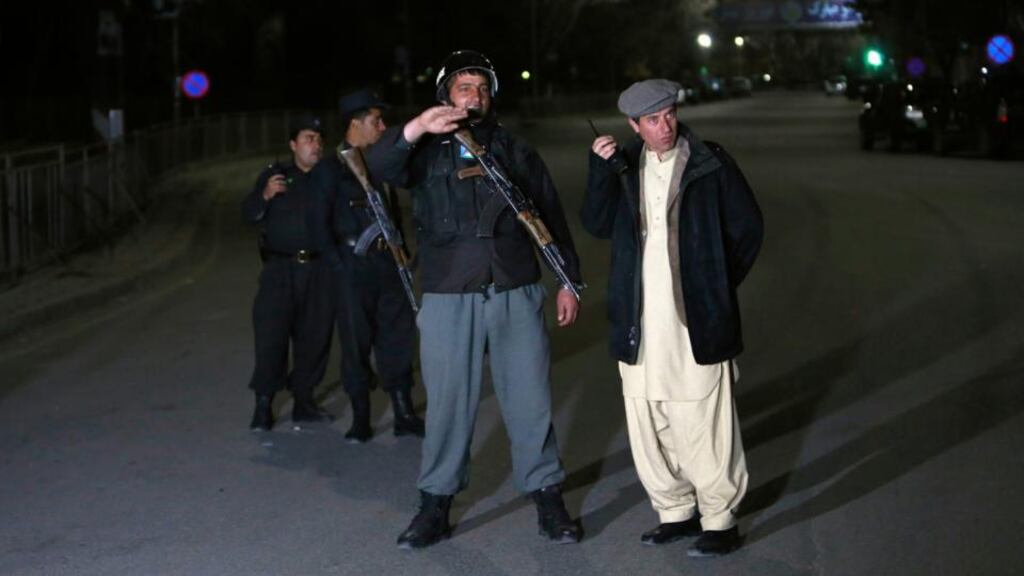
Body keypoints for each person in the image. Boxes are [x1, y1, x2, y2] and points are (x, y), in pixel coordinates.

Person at [367, 50, 585, 549]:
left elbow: (549, 213)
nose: (475, 96)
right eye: (464, 88)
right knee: (448, 404)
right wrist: (418, 126)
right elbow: (378, 163)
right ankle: (435, 505)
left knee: (530, 400)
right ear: (446, 96)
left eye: (483, 88)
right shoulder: (422, 151)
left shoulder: (512, 148)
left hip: (514, 286)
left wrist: (567, 281)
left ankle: (548, 498)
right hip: (449, 292)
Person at [581, 79, 763, 558]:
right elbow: (596, 224)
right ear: (633, 125)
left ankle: (720, 518)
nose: (665, 126)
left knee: (704, 420)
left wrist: (714, 286)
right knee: (650, 418)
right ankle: (675, 511)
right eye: (653, 120)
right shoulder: (624, 167)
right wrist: (599, 170)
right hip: (638, 318)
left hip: (694, 321)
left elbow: (747, 228)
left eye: (669, 115)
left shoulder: (709, 161)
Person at [309, 89, 425, 443]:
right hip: (353, 266)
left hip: (388, 263)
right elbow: (317, 225)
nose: (383, 126)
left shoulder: (381, 163)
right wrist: (339, 267)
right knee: (356, 343)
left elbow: (393, 211)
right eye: (376, 120)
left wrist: (403, 253)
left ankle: (404, 412)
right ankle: (361, 416)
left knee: (398, 337)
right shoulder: (330, 169)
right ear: (355, 124)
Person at [242, 114, 335, 431]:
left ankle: (304, 402)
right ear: (293, 144)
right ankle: (263, 404)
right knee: (271, 337)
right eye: (309, 138)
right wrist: (265, 195)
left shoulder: (329, 177)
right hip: (280, 269)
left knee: (315, 338)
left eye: (319, 139)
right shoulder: (276, 175)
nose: (315, 145)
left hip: (319, 269)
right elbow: (249, 213)